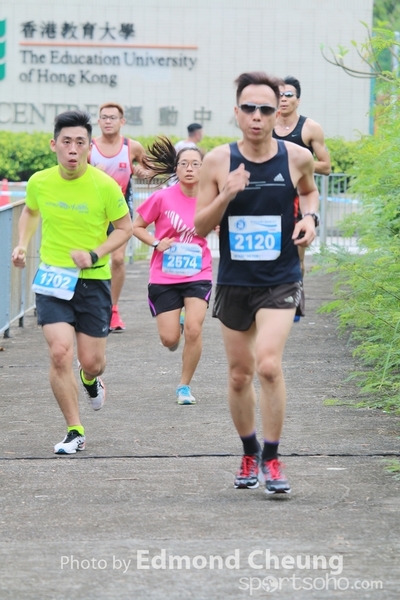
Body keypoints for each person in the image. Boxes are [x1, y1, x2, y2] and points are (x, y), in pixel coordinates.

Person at [194, 72, 320, 494]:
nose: (257, 116)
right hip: (235, 280)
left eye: (266, 108)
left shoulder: (296, 156)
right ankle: (249, 451)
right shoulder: (218, 161)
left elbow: (310, 192)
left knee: (267, 364)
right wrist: (227, 194)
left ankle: (273, 456)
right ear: (237, 112)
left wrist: (310, 218)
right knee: (238, 374)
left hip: (280, 278)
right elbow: (200, 226)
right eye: (249, 108)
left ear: (277, 112)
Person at [12, 110, 132, 455]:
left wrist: (95, 253)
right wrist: (22, 244)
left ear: (89, 147)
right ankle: (74, 430)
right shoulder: (40, 182)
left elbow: (124, 228)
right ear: (54, 145)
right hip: (53, 277)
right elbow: (31, 211)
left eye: (80, 142)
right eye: (66, 142)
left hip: (93, 280)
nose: (73, 149)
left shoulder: (104, 185)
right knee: (60, 352)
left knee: (91, 361)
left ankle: (90, 379)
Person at [132, 136, 212, 405]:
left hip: (198, 272)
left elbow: (222, 224)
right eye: (184, 163)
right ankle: (174, 327)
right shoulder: (162, 197)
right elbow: (136, 227)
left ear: (204, 168)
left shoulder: (210, 199)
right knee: (169, 340)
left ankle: (184, 386)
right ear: (176, 168)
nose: (189, 168)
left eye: (195, 164)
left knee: (194, 329)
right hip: (164, 275)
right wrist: (156, 242)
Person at [89, 102, 150, 332]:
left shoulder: (132, 147)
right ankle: (92, 307)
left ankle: (113, 310)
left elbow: (150, 170)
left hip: (120, 211)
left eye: (112, 117)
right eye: (104, 117)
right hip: (93, 212)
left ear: (122, 121)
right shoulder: (89, 147)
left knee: (117, 259)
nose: (108, 121)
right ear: (98, 121)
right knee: (92, 258)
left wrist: (142, 172)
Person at [273, 76, 331, 281]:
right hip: (269, 199)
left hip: (298, 201)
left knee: (296, 259)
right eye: (280, 95)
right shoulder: (266, 125)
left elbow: (326, 166)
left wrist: (297, 165)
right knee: (268, 258)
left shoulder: (310, 128)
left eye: (289, 95)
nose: (283, 99)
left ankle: (296, 295)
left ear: (298, 100)